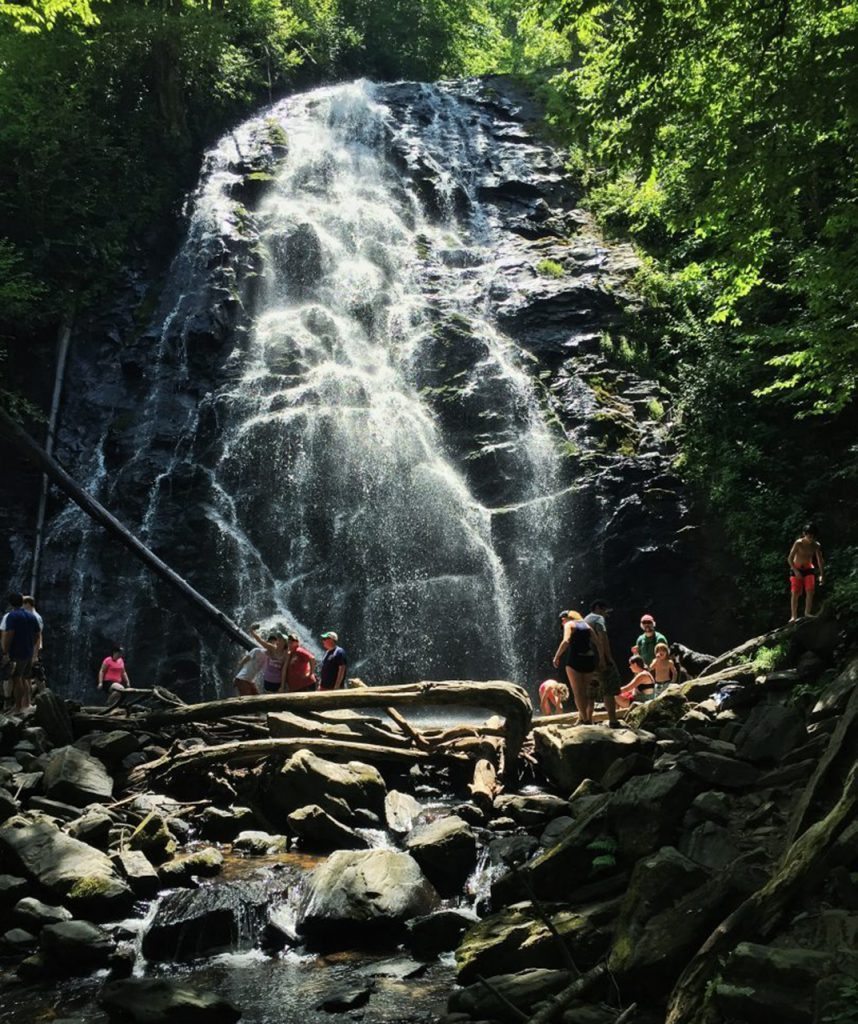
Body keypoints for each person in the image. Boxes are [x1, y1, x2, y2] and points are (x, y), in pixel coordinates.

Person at [552, 609, 598, 725]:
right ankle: (588, 718)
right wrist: (601, 659)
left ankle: (585, 720)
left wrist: (557, 656)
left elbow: (566, 641)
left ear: (564, 619)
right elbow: (597, 642)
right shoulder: (586, 625)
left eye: (562, 623)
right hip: (589, 659)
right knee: (588, 691)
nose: (563, 625)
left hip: (575, 660)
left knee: (578, 692)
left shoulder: (569, 624)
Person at [584, 599, 622, 728]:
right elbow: (602, 638)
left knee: (591, 691)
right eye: (606, 610)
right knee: (609, 688)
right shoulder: (598, 619)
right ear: (598, 608)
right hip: (599, 659)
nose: (607, 614)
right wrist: (606, 658)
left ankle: (588, 719)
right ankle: (613, 720)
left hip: (587, 660)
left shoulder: (584, 620)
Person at [1, 593, 41, 713]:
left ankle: (18, 707)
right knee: (25, 678)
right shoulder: (31, 616)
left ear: (11, 603)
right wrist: (31, 645)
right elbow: (37, 635)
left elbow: (9, 634)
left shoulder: (12, 616)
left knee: (16, 678)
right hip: (28, 652)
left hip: (16, 652)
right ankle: (25, 704)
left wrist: (5, 650)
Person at [788, 524, 825, 621]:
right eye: (809, 535)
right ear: (804, 534)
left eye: (812, 536)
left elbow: (820, 561)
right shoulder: (798, 543)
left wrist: (822, 575)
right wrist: (795, 571)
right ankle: (793, 616)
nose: (810, 538)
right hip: (797, 568)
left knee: (810, 590)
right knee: (795, 592)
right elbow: (790, 558)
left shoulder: (816, 545)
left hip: (808, 569)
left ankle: (807, 612)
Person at [250, 628, 290, 694]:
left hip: (278, 681)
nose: (278, 640)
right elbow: (261, 641)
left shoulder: (286, 655)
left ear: (285, 643)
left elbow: (284, 670)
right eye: (278, 638)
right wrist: (252, 632)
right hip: (268, 680)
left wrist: (282, 686)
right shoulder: (272, 648)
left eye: (281, 639)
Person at [234, 627, 265, 696]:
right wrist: (236, 677)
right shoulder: (257, 651)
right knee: (246, 700)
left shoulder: (269, 658)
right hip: (242, 679)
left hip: (249, 680)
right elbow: (244, 660)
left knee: (257, 697)